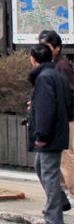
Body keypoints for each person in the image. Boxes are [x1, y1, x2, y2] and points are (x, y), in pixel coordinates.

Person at [28, 42, 73, 224]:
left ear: (33, 59)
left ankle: (54, 219)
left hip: (50, 134)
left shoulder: (45, 78)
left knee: (49, 174)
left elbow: (46, 109)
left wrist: (42, 135)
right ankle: (60, 201)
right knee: (41, 167)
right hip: (59, 131)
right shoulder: (56, 75)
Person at [39, 30, 74, 200]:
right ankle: (60, 197)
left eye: (46, 46)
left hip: (67, 119)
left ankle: (71, 193)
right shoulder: (50, 65)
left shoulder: (62, 66)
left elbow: (70, 93)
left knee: (67, 158)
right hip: (58, 119)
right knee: (56, 162)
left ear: (57, 48)